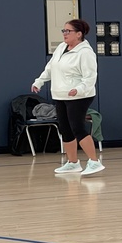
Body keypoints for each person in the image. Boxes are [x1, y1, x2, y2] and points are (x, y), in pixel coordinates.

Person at [32, 19, 104, 176]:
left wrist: (78, 89)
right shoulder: (61, 47)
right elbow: (50, 67)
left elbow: (90, 77)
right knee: (65, 129)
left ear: (79, 34)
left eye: (68, 31)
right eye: (63, 31)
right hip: (60, 95)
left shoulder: (85, 53)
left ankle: (94, 161)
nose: (64, 34)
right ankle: (72, 163)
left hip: (79, 96)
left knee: (77, 127)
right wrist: (39, 81)